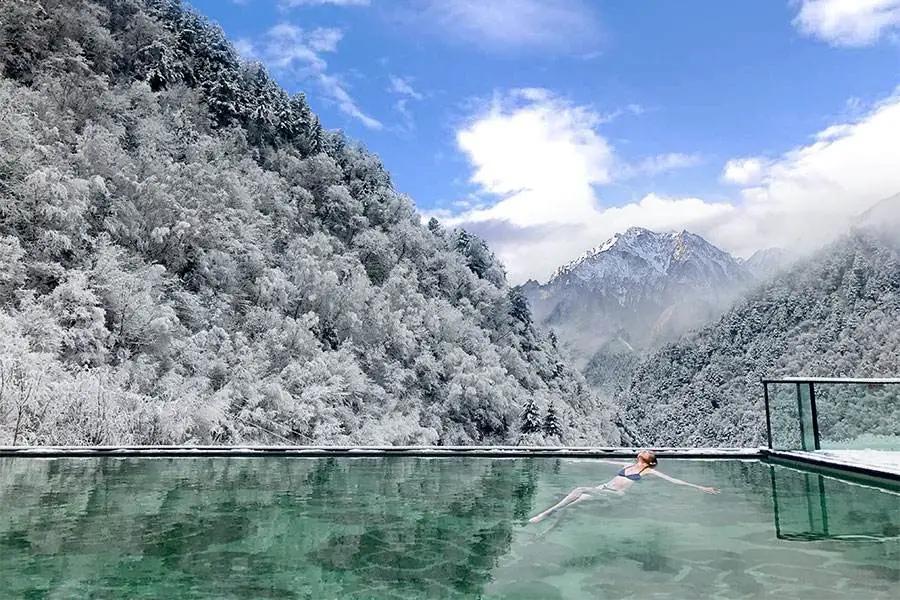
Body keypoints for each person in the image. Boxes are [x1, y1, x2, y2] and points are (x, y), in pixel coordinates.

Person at [528, 450, 720, 524]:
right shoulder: (627, 465)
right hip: (603, 489)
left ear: (649, 461)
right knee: (571, 505)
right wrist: (577, 461)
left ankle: (544, 514)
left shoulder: (647, 471)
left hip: (615, 495)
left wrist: (700, 488)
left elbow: (674, 481)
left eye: (647, 452)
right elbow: (605, 463)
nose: (643, 451)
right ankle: (549, 527)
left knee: (579, 490)